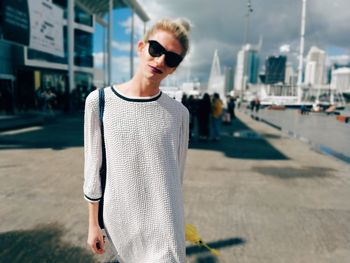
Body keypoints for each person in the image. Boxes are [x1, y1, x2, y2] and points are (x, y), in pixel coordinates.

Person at [83, 18, 190, 263]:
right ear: (141, 47)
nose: (161, 60)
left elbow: (176, 176)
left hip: (165, 227)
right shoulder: (99, 101)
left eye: (171, 59)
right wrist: (93, 224)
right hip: (119, 224)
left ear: (174, 68)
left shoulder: (179, 114)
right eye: (156, 49)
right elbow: (93, 169)